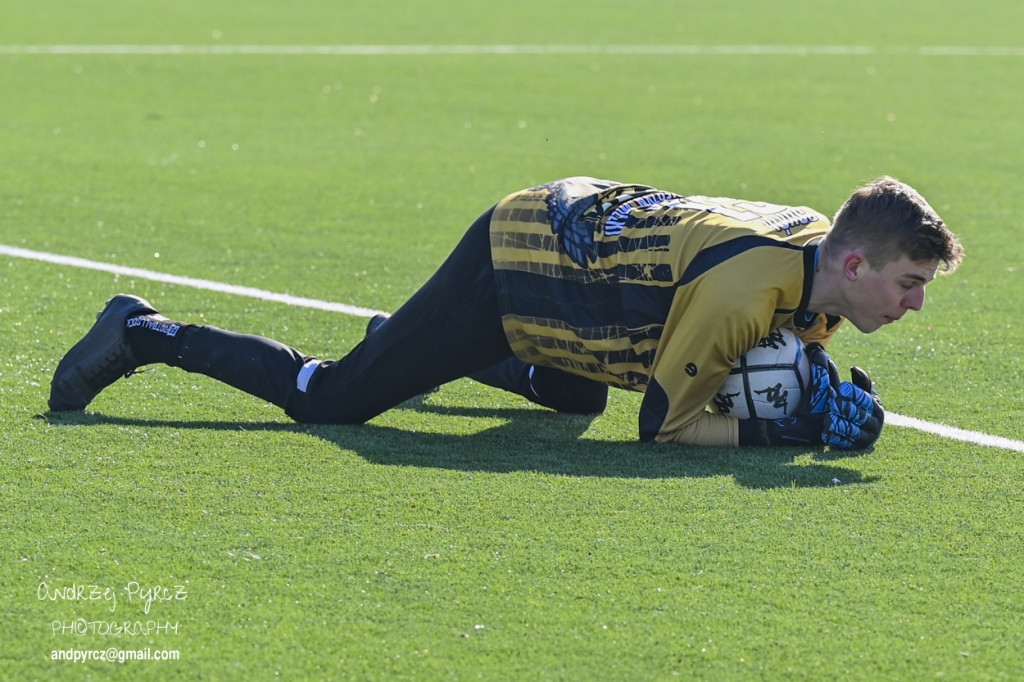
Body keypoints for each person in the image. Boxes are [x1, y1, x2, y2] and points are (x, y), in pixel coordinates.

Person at [48, 176, 963, 448]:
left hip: (592, 272)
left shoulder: (816, 250)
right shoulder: (742, 289)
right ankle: (143, 331)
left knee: (577, 401)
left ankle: (417, 349)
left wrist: (824, 391)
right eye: (909, 283)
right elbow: (667, 429)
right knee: (331, 402)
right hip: (522, 263)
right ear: (854, 260)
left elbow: (768, 346)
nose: (914, 304)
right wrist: (794, 433)